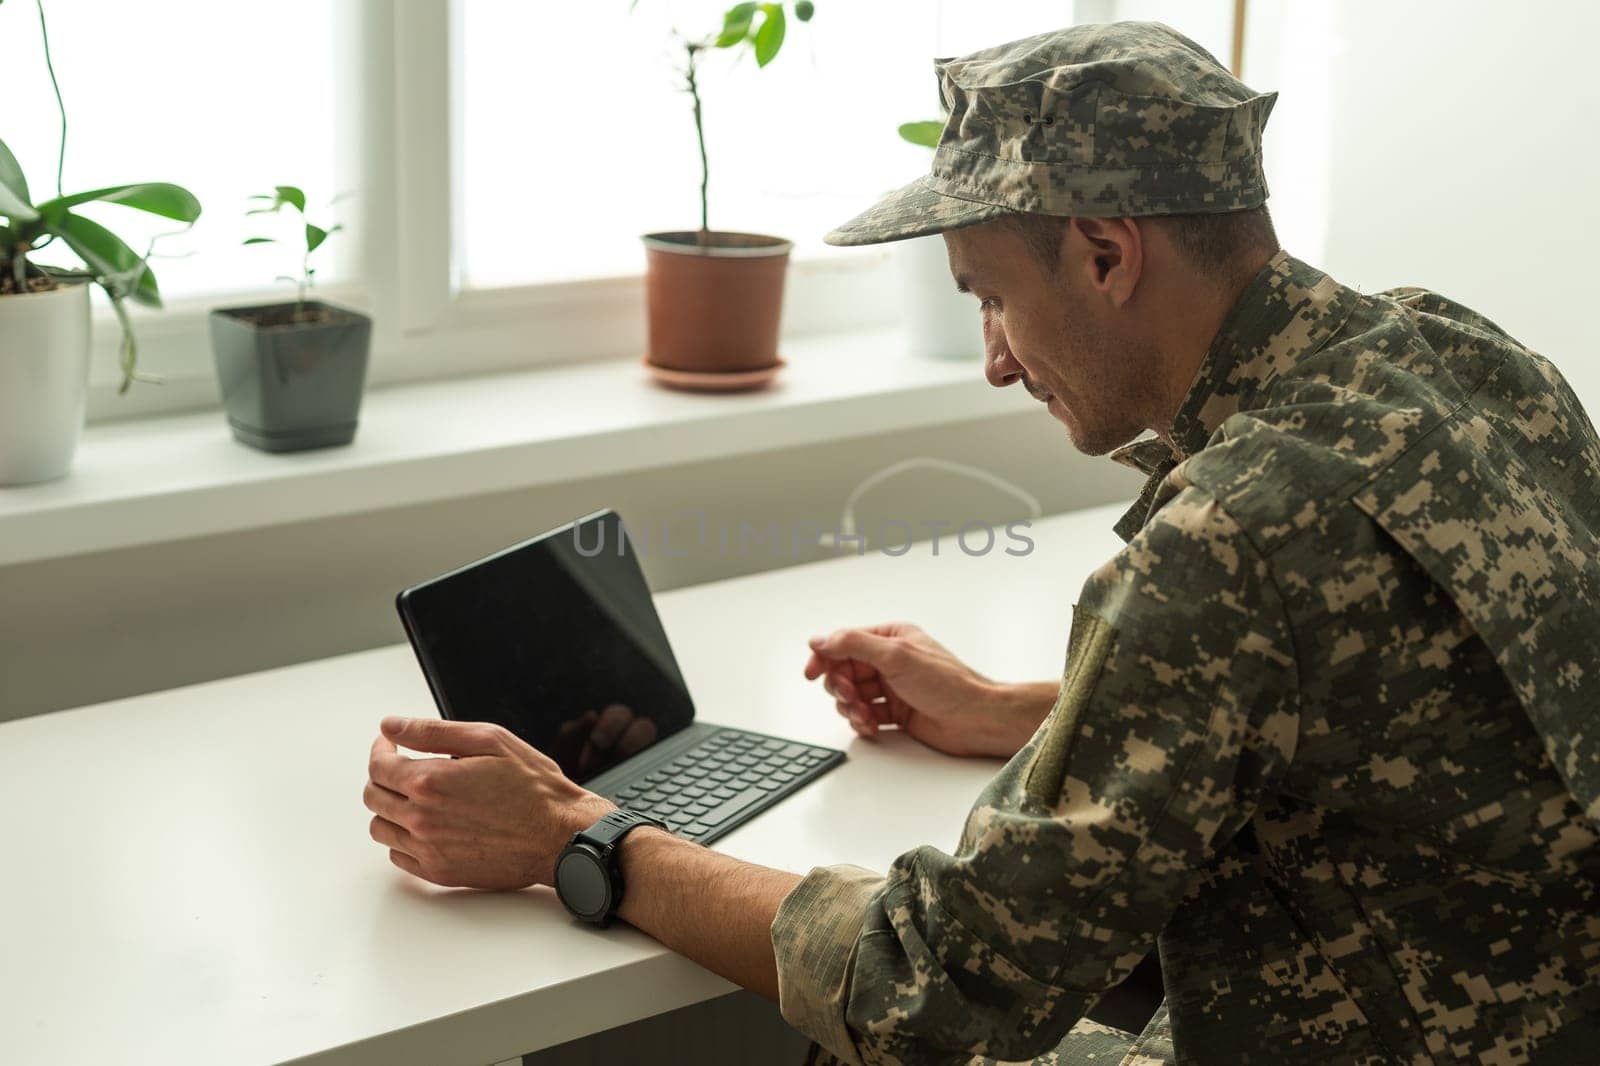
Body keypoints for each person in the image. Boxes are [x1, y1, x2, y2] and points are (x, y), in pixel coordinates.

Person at [362, 21, 1600, 1064]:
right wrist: (1015, 708)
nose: (997, 358)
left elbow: (936, 981)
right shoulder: (1459, 354)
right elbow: (1368, 691)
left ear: (1108, 253)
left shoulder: (1227, 533)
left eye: (992, 297)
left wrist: (583, 837)